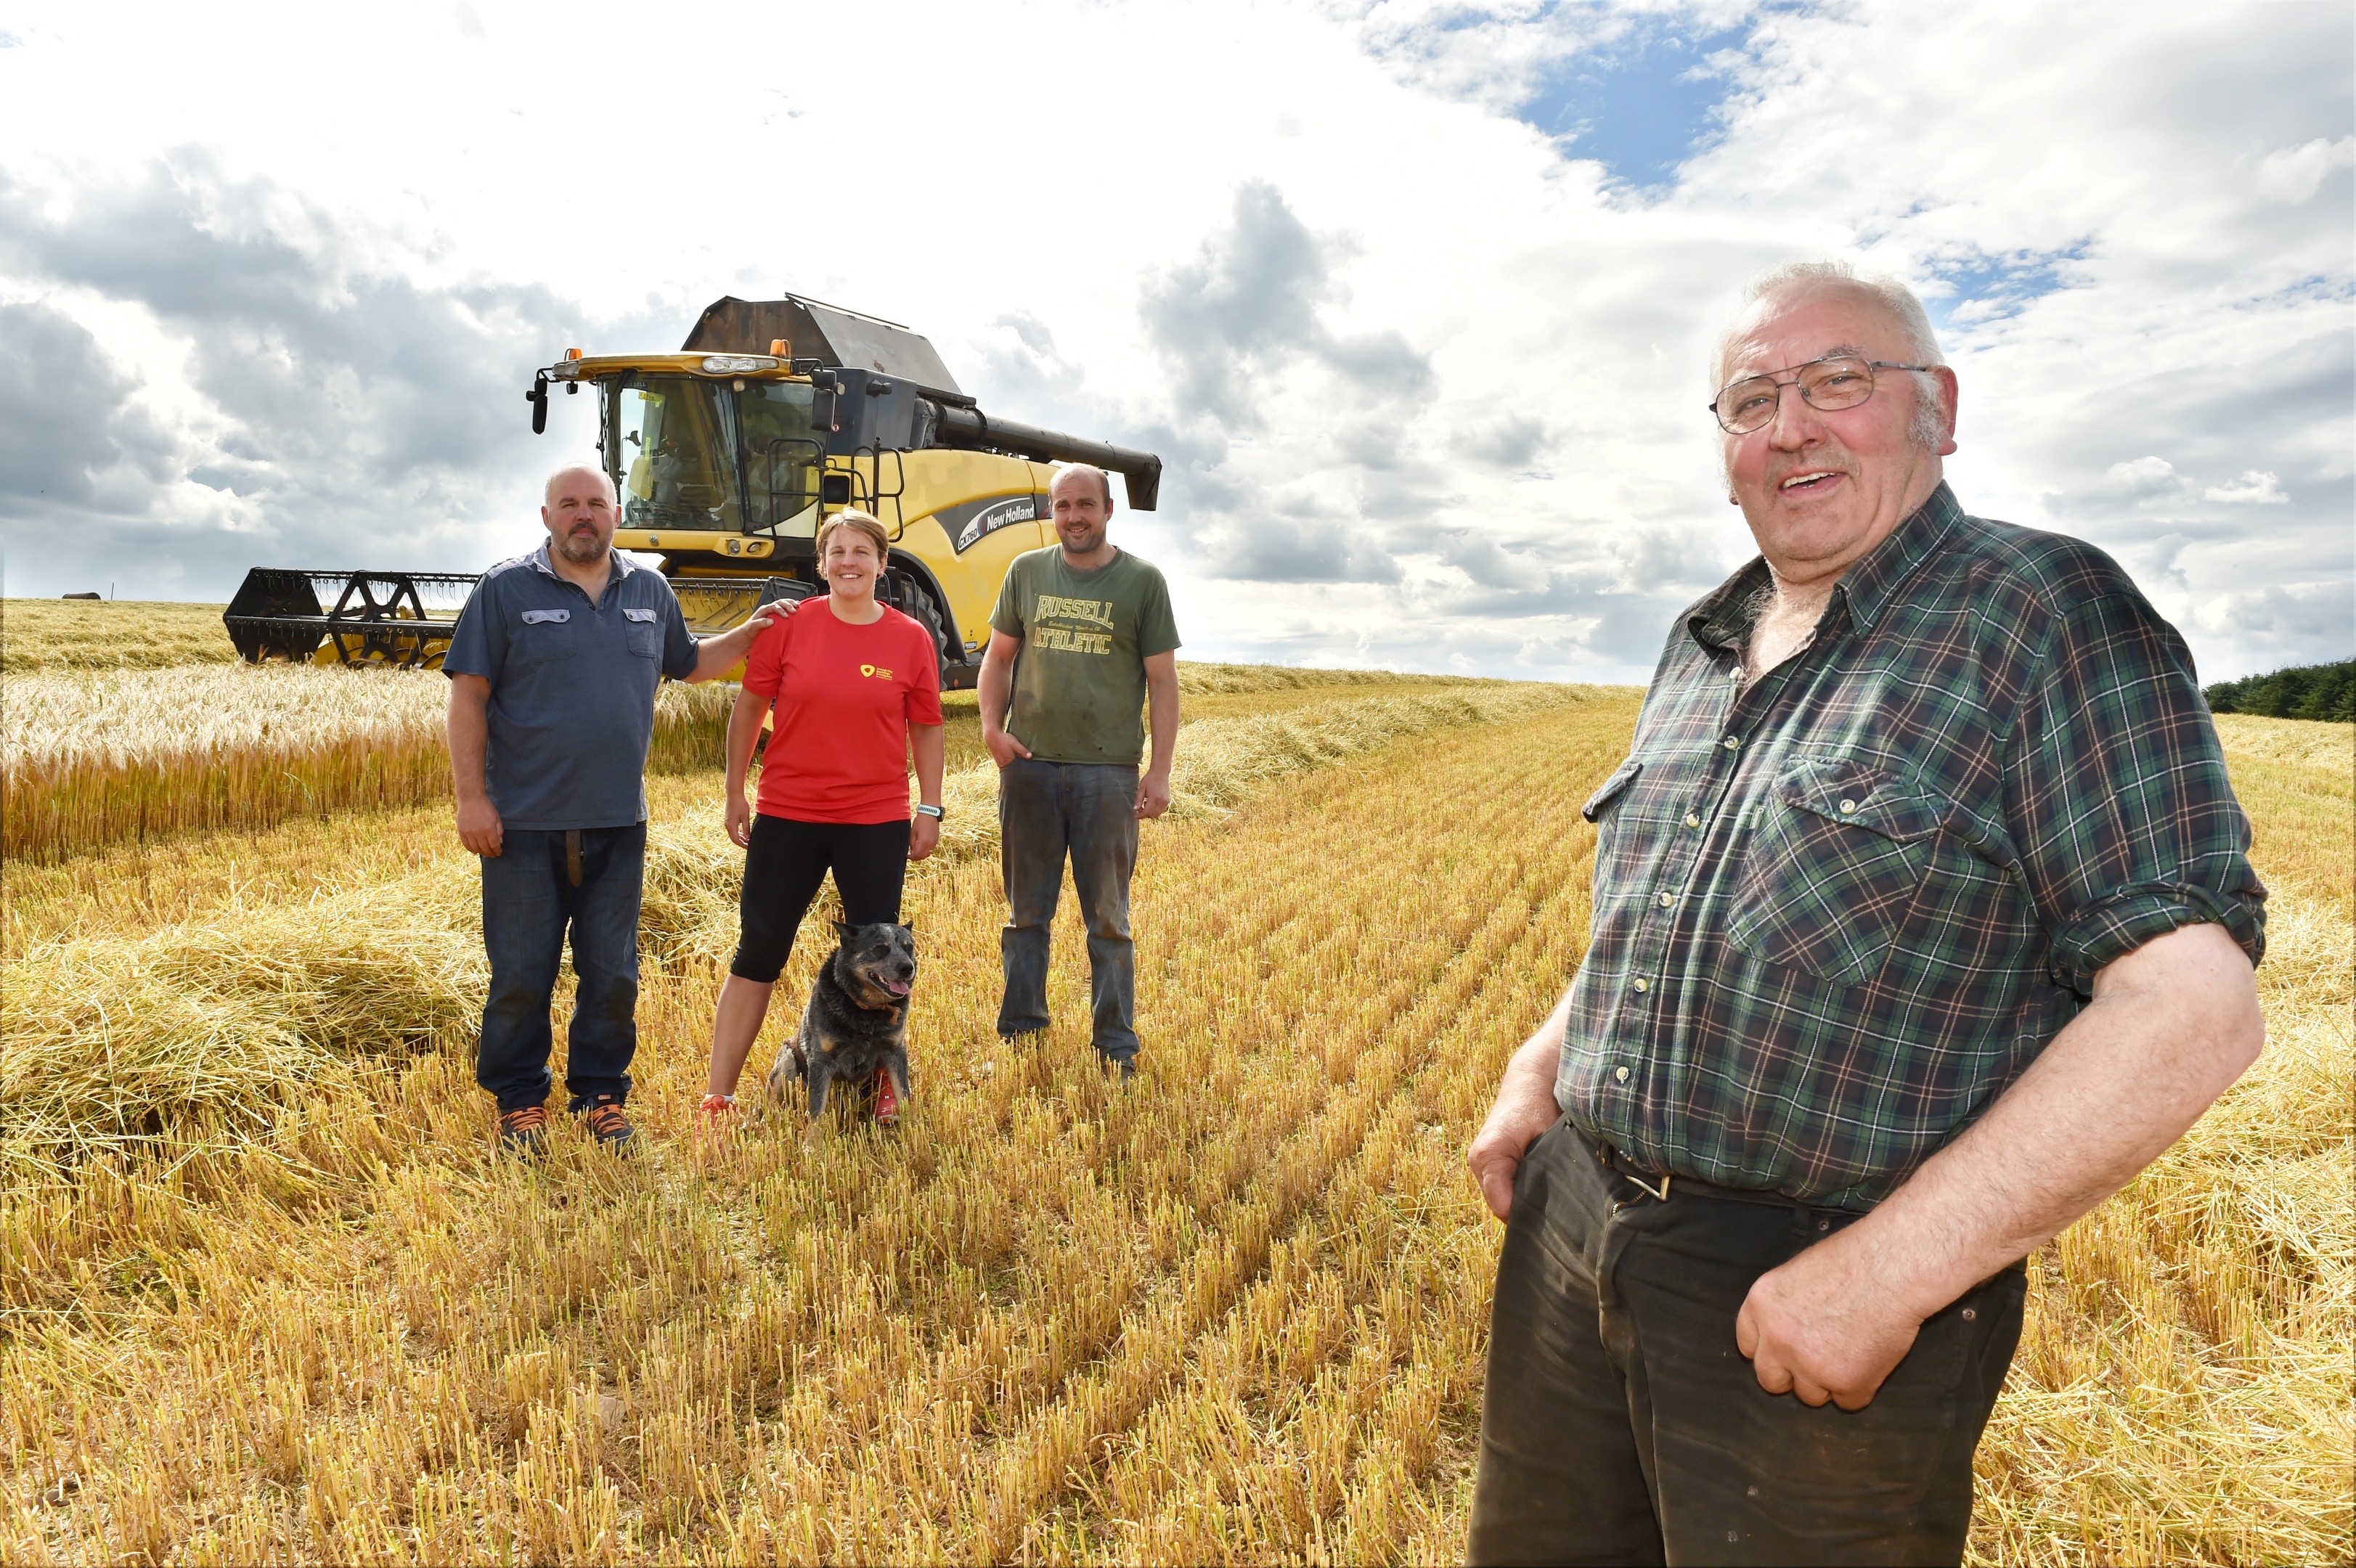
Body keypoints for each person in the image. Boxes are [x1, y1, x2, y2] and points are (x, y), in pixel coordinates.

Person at [1462, 261, 2268, 1567]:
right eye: (1752, 398)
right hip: (1576, 1225)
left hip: (1816, 1272)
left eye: (1839, 382)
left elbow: (2192, 1006)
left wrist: (1888, 1275)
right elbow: (1680, 890)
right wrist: (1547, 1061)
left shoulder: (2041, 615)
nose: (1792, 426)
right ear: (1724, 448)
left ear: (1937, 409)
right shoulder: (1706, 638)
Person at [446, 463, 780, 1156]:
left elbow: (689, 664)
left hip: (617, 822)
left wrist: (749, 634)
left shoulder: (649, 590)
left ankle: (600, 1094)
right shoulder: (506, 589)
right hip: (523, 824)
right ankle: (520, 1101)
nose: (582, 515)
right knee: (520, 970)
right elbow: (468, 696)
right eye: (567, 505)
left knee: (612, 970)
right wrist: (472, 798)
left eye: (595, 504)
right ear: (545, 517)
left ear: (615, 514)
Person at [699, 509, 945, 1123]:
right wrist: (735, 792)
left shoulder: (910, 638)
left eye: (862, 551)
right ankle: (719, 1095)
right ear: (821, 563)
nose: (848, 562)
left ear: (882, 564)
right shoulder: (789, 627)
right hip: (789, 816)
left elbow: (929, 728)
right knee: (758, 950)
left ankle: (884, 1082)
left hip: (874, 820)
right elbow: (750, 710)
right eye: (836, 551)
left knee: (881, 963)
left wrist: (930, 807)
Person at [979, 463, 1181, 1079]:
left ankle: (1115, 1045)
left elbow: (1162, 682)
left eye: (1085, 505)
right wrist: (993, 729)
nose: (1074, 517)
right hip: (1030, 770)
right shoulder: (1026, 573)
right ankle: (1020, 1033)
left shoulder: (1142, 582)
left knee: (1109, 920)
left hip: (1109, 774)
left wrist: (1159, 771)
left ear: (1108, 510)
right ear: (1050, 512)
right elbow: (997, 660)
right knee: (1024, 916)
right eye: (1062, 505)